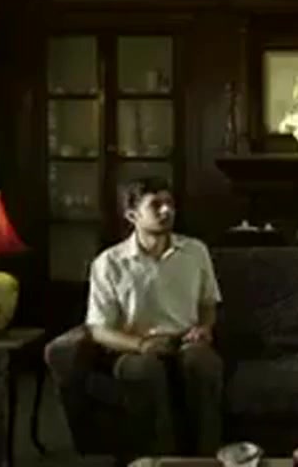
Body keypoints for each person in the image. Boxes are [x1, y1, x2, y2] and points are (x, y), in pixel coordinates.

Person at [85, 176, 224, 455]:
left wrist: (205, 327)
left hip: (186, 341)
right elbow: (98, 329)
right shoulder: (109, 263)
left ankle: (205, 458)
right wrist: (141, 345)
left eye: (169, 203)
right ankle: (159, 459)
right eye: (156, 205)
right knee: (144, 371)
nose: (166, 210)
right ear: (132, 215)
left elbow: (208, 303)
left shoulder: (195, 251)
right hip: (136, 346)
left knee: (203, 364)